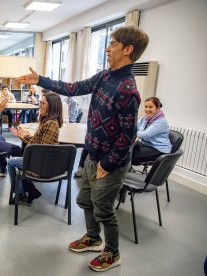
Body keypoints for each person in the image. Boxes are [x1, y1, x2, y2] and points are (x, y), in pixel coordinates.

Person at [17, 26, 149, 272]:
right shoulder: (104, 76)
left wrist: (107, 165)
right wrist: (41, 80)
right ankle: (93, 238)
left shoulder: (128, 91)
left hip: (110, 163)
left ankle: (112, 253)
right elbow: (73, 88)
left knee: (104, 209)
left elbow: (127, 137)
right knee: (85, 200)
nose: (107, 49)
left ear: (128, 50)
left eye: (113, 44)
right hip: (92, 154)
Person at [8, 92, 63, 204]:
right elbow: (39, 144)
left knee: (11, 162)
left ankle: (21, 194)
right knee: (19, 162)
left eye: (43, 103)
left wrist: (25, 137)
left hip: (43, 165)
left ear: (52, 106)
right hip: (42, 161)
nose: (40, 105)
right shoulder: (47, 121)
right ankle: (31, 191)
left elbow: (41, 150)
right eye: (40, 103)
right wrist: (24, 136)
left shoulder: (51, 124)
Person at [131, 96, 171, 165]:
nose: (147, 109)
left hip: (159, 149)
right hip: (147, 145)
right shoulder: (145, 117)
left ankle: (123, 174)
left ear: (157, 108)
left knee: (131, 157)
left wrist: (129, 132)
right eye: (146, 107)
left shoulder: (161, 122)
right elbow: (135, 127)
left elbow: (145, 135)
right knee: (125, 151)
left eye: (150, 107)